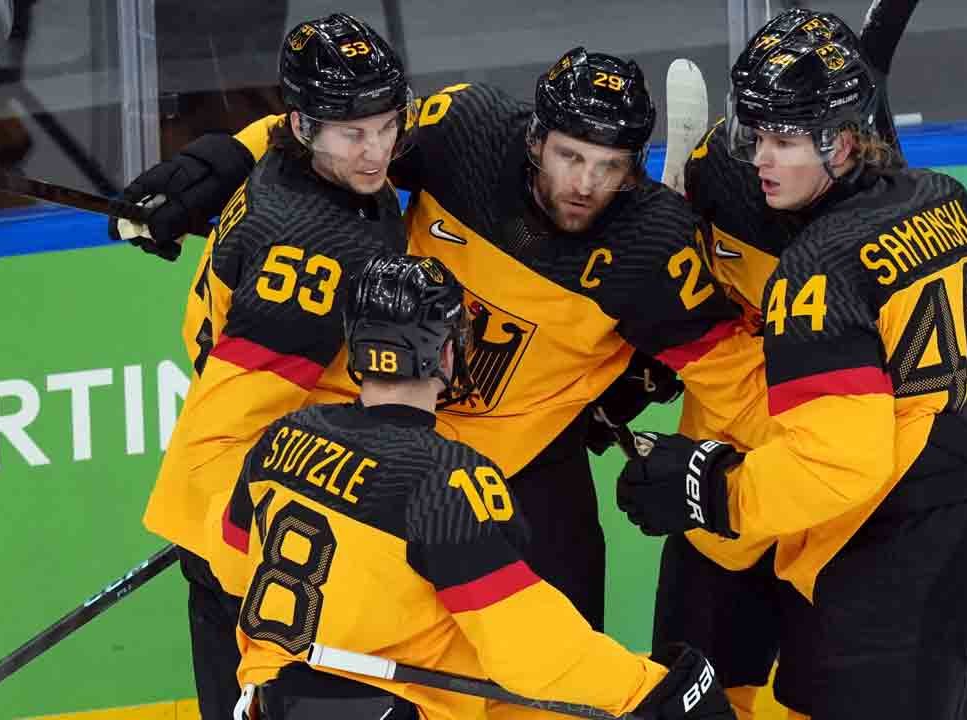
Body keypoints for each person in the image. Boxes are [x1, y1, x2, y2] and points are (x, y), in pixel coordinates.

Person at [114, 47, 775, 635]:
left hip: (526, 460)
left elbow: (738, 381)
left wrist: (744, 475)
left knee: (557, 680)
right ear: (534, 138)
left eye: (611, 167)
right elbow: (349, 129)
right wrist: (237, 153)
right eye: (570, 157)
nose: (584, 185)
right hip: (393, 431)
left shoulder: (653, 247)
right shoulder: (466, 131)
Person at [615, 12, 967, 719]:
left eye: (784, 140)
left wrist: (714, 491)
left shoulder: (816, 269)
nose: (762, 159)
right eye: (755, 136)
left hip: (864, 531)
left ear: (845, 142)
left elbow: (840, 462)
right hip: (842, 520)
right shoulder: (944, 202)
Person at [226, 253, 735, 720]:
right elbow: (531, 653)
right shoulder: (448, 480)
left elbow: (233, 559)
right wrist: (650, 689)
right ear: (447, 354)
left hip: (266, 704)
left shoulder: (284, 436)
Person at [132, 14, 414, 719]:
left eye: (387, 126)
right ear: (304, 125)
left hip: (252, 494)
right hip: (246, 519)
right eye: (354, 134)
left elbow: (271, 134)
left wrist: (228, 150)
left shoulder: (293, 156)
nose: (377, 151)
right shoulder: (311, 253)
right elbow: (232, 427)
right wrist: (251, 556)